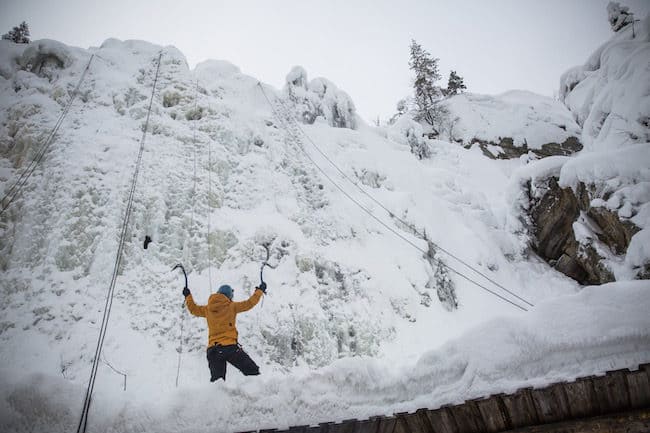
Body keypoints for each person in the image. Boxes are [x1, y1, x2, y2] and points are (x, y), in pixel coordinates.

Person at [183, 282, 266, 382]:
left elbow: (193, 309)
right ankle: (257, 394)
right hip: (229, 347)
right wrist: (260, 290)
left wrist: (188, 296)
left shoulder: (207, 309)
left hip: (213, 350)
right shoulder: (231, 306)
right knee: (252, 371)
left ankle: (216, 397)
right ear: (229, 296)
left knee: (218, 383)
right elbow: (249, 303)